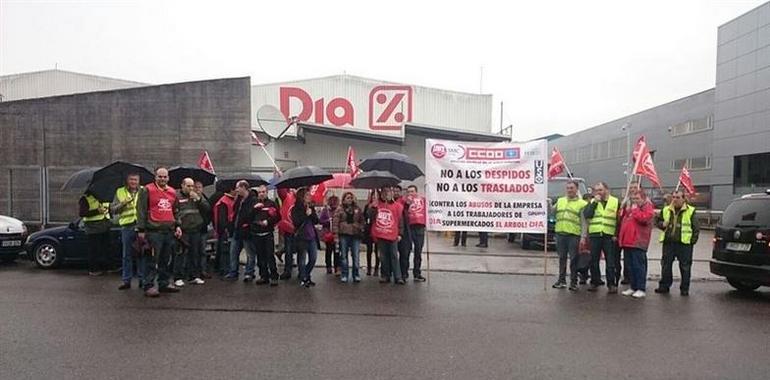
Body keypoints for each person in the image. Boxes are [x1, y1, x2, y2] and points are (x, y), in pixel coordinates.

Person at [136, 167, 182, 297]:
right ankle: (148, 285)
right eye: (160, 176)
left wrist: (178, 225)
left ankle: (164, 283)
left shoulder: (172, 192)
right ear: (155, 177)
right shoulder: (147, 190)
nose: (162, 179)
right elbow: (141, 210)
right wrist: (141, 229)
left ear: (168, 178)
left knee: (165, 259)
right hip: (153, 231)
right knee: (151, 259)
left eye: (165, 177)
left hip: (168, 231)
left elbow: (176, 211)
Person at [654, 190, 699, 296]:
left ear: (683, 199)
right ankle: (664, 286)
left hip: (684, 244)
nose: (675, 199)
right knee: (666, 266)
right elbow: (657, 221)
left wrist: (692, 241)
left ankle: (684, 288)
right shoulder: (666, 210)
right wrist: (662, 224)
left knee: (685, 267)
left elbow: (696, 228)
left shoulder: (690, 211)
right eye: (673, 197)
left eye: (678, 197)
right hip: (669, 243)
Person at [172, 178, 210, 287]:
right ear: (182, 185)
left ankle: (193, 276)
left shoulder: (197, 196)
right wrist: (176, 226)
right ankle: (178, 277)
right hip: (183, 229)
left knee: (195, 254)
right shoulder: (176, 196)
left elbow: (207, 208)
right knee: (180, 254)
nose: (190, 188)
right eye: (188, 186)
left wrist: (198, 199)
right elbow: (173, 212)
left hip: (195, 228)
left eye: (192, 186)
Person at [582, 182, 619, 293]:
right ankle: (595, 281)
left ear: (607, 190)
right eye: (596, 190)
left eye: (600, 190)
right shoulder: (593, 201)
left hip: (609, 235)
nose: (598, 192)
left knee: (610, 261)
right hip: (595, 235)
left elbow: (619, 219)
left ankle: (611, 284)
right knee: (594, 260)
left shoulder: (615, 201)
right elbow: (587, 214)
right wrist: (594, 203)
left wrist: (616, 234)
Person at [618, 188, 655, 299]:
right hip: (628, 242)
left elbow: (644, 219)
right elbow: (623, 222)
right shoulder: (632, 209)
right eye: (633, 198)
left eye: (637, 198)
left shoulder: (647, 208)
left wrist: (634, 210)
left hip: (638, 242)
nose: (635, 201)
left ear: (643, 199)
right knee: (630, 266)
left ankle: (641, 288)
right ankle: (633, 287)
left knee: (639, 266)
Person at [552, 180, 588, 291]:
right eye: (568, 188)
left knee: (574, 259)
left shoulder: (582, 204)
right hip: (560, 233)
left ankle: (573, 282)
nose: (569, 190)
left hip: (573, 235)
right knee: (561, 258)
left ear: (577, 189)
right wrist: (547, 204)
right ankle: (561, 280)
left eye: (572, 188)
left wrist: (583, 237)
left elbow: (584, 222)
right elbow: (552, 212)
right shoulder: (561, 200)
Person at [111, 173, 143, 290]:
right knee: (127, 255)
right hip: (127, 226)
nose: (133, 182)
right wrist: (123, 203)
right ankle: (126, 280)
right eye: (131, 179)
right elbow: (113, 210)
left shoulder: (143, 191)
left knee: (142, 254)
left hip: (140, 226)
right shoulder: (120, 192)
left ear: (139, 181)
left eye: (135, 180)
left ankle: (142, 280)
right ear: (127, 180)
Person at [372, 187, 406, 285]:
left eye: (388, 192)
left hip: (393, 234)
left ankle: (397, 276)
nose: (386, 194)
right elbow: (370, 217)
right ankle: (385, 275)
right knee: (383, 256)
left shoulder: (397, 206)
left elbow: (400, 221)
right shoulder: (377, 205)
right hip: (381, 234)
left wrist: (400, 233)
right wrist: (373, 208)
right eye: (384, 192)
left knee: (394, 256)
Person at [250, 185, 280, 286]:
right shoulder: (253, 203)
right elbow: (248, 217)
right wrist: (254, 209)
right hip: (256, 233)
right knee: (260, 256)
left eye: (263, 192)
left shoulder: (271, 203)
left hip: (267, 233)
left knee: (269, 255)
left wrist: (268, 221)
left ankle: (274, 276)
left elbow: (278, 217)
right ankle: (263, 276)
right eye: (259, 192)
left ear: (267, 192)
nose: (261, 194)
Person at [292, 187, 321, 288]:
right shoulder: (296, 208)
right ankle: (304, 278)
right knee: (302, 259)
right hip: (302, 237)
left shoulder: (311, 207)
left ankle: (306, 274)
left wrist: (311, 213)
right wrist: (305, 214)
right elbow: (296, 222)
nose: (310, 197)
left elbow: (316, 220)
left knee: (313, 258)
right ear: (302, 197)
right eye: (307, 195)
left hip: (312, 236)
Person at [79, 190, 112, 276]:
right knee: (94, 250)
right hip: (92, 228)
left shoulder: (105, 197)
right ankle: (93, 269)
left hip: (104, 225)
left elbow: (109, 209)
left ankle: (106, 267)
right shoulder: (85, 199)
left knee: (106, 248)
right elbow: (82, 213)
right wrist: (97, 211)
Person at [334, 191, 365, 283]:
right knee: (343, 256)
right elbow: (335, 223)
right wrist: (335, 235)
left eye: (351, 198)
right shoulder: (339, 209)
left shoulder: (357, 209)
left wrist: (360, 227)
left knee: (356, 256)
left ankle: (356, 274)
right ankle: (344, 274)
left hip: (355, 235)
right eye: (347, 198)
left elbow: (362, 221)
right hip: (343, 235)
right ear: (343, 199)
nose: (350, 200)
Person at [224, 180, 252, 281]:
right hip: (237, 230)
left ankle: (249, 272)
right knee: (233, 252)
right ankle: (233, 271)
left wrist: (247, 224)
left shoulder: (251, 200)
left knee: (250, 253)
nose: (236, 190)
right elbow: (235, 213)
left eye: (238, 187)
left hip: (246, 231)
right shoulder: (238, 200)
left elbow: (250, 214)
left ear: (244, 187)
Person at [213, 187, 237, 277]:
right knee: (225, 251)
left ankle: (222, 268)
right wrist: (225, 229)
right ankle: (225, 270)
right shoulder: (224, 201)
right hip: (225, 230)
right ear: (231, 190)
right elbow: (222, 219)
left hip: (226, 230)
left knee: (224, 250)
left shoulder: (228, 200)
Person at [406, 185, 427, 282]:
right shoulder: (405, 201)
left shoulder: (422, 199)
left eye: (412, 191)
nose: (410, 193)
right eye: (409, 192)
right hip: (409, 227)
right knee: (406, 250)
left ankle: (417, 273)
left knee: (418, 251)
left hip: (420, 227)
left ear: (416, 192)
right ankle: (404, 272)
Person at [194, 180, 213, 279]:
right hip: (192, 229)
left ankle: (203, 270)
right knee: (193, 251)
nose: (197, 189)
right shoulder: (189, 199)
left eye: (199, 187)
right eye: (195, 187)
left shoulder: (204, 198)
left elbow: (208, 209)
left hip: (203, 228)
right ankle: (193, 271)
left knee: (203, 251)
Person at [278, 189, 297, 280]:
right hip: (288, 227)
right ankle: (287, 270)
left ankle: (280, 251)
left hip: (299, 228)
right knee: (289, 251)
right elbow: (281, 191)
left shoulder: (299, 197)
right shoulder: (287, 196)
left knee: (294, 249)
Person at [394, 185, 413, 279]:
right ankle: (394, 273)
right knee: (393, 255)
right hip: (393, 231)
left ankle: (404, 273)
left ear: (401, 192)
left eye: (398, 191)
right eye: (394, 191)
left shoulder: (404, 202)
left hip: (404, 231)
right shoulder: (389, 202)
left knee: (404, 254)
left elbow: (408, 206)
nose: (396, 193)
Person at [320, 195, 340, 275]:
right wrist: (328, 221)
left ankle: (336, 267)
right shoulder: (326, 210)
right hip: (328, 233)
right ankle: (328, 266)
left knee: (337, 251)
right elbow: (321, 220)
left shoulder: (339, 210)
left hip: (337, 233)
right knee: (329, 251)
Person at [363, 190, 379, 276]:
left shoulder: (380, 206)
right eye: (373, 196)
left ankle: (376, 268)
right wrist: (370, 208)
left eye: (376, 196)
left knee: (377, 250)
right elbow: (365, 216)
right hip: (369, 229)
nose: (374, 198)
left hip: (378, 229)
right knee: (369, 250)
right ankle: (369, 267)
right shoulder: (367, 206)